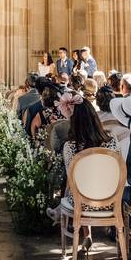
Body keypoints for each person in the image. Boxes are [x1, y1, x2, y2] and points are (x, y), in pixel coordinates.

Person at [49, 99, 118, 252]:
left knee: (77, 187)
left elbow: (72, 179)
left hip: (83, 202)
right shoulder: (112, 141)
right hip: (110, 200)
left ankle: (82, 231)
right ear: (95, 116)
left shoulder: (71, 146)